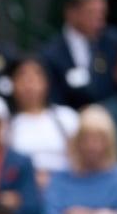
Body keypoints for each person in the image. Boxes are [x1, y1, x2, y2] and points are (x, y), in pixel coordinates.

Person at [44, 106, 117, 214]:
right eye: (86, 139)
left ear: (110, 142)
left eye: (99, 139)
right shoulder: (60, 179)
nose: (92, 146)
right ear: (77, 142)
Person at [40, 0, 117, 109]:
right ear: (71, 13)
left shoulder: (114, 42)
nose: (99, 19)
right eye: (92, 12)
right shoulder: (51, 53)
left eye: (102, 12)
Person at [6, 56, 79, 187]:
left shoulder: (67, 117)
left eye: (36, 77)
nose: (29, 84)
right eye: (23, 77)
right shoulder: (6, 124)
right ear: (13, 84)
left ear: (46, 83)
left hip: (66, 187)